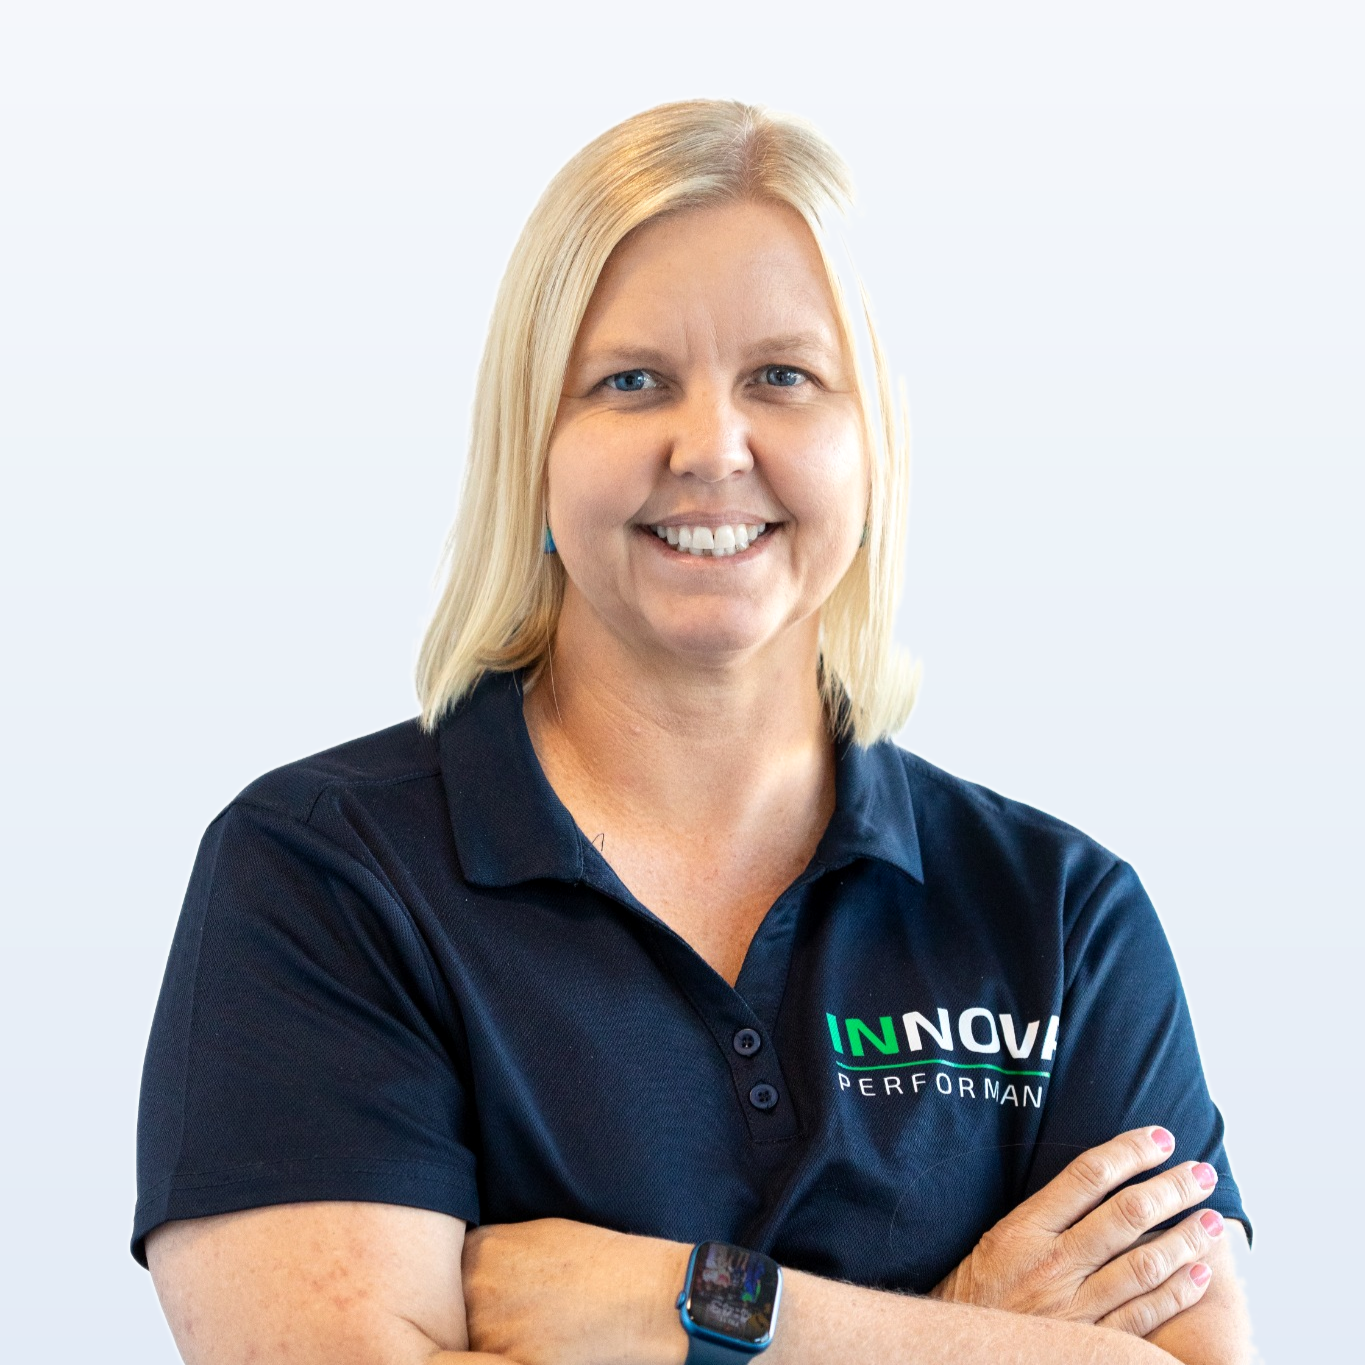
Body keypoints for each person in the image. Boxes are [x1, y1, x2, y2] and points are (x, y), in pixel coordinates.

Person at [134, 100, 1253, 1364]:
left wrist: (688, 1306)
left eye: (783, 377)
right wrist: (982, 1335)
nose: (713, 448)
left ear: (871, 447)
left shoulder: (1059, 918)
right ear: (533, 450)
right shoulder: (324, 878)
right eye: (632, 382)